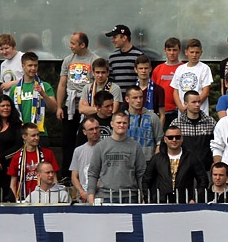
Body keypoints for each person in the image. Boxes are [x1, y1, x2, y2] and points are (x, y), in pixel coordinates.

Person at [87, 110, 146, 203]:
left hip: (130, 196)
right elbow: (93, 173)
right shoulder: (101, 146)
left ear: (128, 125)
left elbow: (141, 173)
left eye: (124, 123)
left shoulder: (135, 146)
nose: (121, 125)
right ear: (112, 124)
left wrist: (143, 195)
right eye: (119, 122)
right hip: (106, 196)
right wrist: (90, 195)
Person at [56, 31, 98, 161]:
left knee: (84, 138)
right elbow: (62, 84)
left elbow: (98, 84)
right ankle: (66, 173)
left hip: (87, 105)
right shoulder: (68, 60)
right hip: (70, 106)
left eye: (73, 43)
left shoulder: (94, 60)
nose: (70, 46)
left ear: (83, 45)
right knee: (67, 140)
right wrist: (59, 106)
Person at [142, 126, 208, 203]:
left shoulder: (192, 158)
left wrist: (195, 198)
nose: (174, 140)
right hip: (162, 203)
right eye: (170, 137)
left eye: (177, 137)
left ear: (182, 139)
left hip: (185, 203)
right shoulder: (157, 159)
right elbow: (146, 180)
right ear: (165, 139)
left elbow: (203, 180)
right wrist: (150, 199)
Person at [8, 52, 58, 145]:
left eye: (35, 65)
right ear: (23, 66)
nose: (33, 68)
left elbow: (54, 108)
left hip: (40, 134)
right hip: (21, 133)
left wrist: (43, 93)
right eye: (30, 65)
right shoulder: (15, 89)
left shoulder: (45, 86)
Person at [8, 123, 59, 201]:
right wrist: (16, 201)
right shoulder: (17, 157)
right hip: (24, 199)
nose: (37, 138)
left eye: (38, 135)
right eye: (33, 135)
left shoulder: (48, 153)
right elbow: (13, 184)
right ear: (24, 137)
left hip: (45, 198)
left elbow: (54, 178)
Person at [170, 91, 216, 172]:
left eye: (199, 101)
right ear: (186, 103)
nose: (197, 105)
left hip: (206, 170)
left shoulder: (210, 122)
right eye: (194, 102)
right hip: (184, 170)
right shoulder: (176, 124)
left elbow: (217, 144)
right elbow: (170, 146)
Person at [171, 38, 214, 114]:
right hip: (183, 112)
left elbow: (206, 91)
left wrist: (192, 106)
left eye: (197, 52)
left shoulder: (204, 68)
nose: (194, 55)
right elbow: (175, 91)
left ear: (201, 53)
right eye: (192, 52)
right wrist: (181, 107)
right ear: (186, 52)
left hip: (199, 112)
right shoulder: (180, 69)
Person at [125, 85, 163, 162]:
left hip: (148, 161)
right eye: (135, 98)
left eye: (141, 97)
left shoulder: (152, 117)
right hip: (126, 161)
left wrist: (155, 159)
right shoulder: (122, 118)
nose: (139, 100)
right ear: (127, 99)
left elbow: (160, 140)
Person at [152, 37, 183, 129]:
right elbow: (153, 90)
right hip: (162, 111)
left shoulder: (183, 68)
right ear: (165, 51)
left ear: (179, 51)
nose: (172, 53)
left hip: (179, 111)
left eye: (174, 50)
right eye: (169, 50)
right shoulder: (158, 69)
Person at [105, 24, 144, 94]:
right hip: (116, 98)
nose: (112, 40)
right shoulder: (112, 57)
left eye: (115, 37)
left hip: (133, 98)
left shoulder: (138, 55)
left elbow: (142, 78)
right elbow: (110, 79)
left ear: (124, 38)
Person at [70, 116, 101, 202]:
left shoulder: (106, 148)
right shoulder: (78, 150)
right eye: (91, 129)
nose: (95, 132)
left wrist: (89, 192)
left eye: (96, 128)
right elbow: (74, 176)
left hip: (100, 196)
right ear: (84, 132)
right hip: (82, 196)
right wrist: (82, 192)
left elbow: (106, 176)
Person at [134, 55, 165, 127]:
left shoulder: (158, 90)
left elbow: (162, 115)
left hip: (152, 127)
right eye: (141, 68)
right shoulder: (131, 90)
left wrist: (158, 134)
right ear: (136, 70)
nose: (143, 71)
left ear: (150, 69)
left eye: (146, 68)